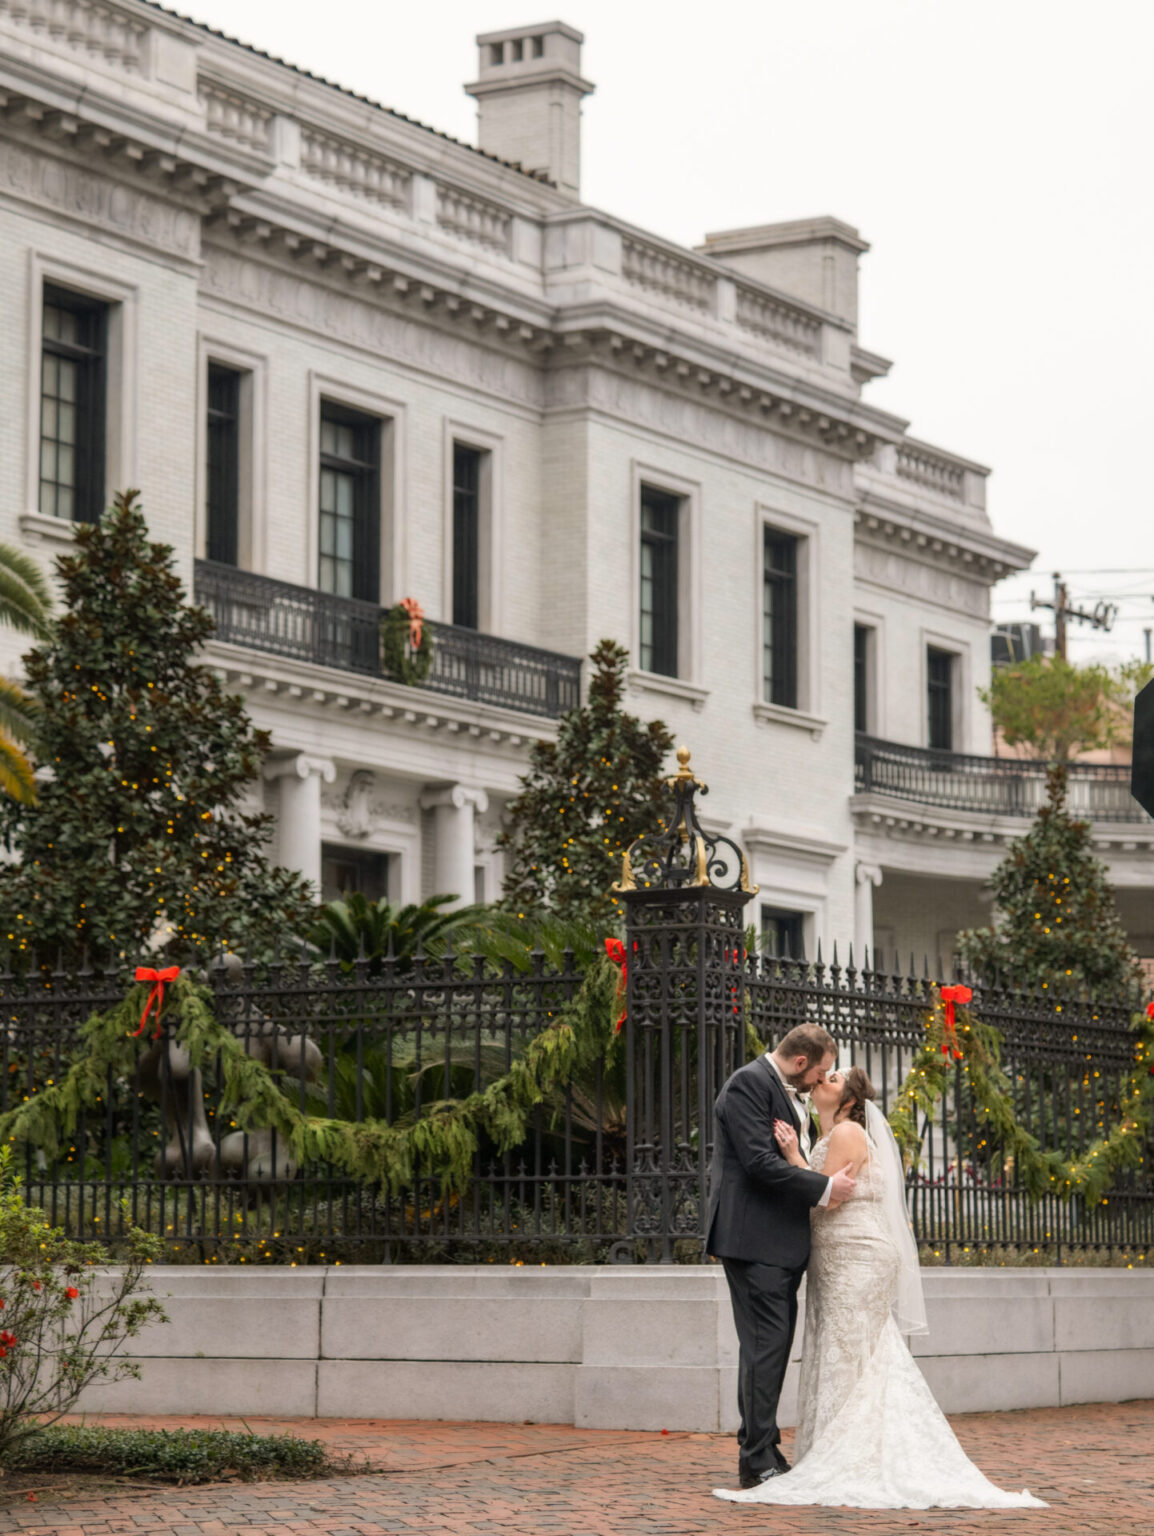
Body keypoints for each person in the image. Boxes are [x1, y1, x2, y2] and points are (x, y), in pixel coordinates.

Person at [714, 1065, 1047, 1510]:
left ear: (849, 1101)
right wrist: (800, 1156)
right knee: (847, 1352)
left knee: (855, 1352)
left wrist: (793, 1158)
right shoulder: (827, 1133)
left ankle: (858, 1455)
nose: (820, 1083)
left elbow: (825, 1197)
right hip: (837, 1258)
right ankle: (844, 1448)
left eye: (831, 1080)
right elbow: (824, 1191)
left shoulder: (848, 1133)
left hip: (858, 1257)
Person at [705, 1023, 857, 1489]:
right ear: (800, 1062)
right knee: (765, 1350)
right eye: (822, 1072)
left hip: (777, 1244)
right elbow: (758, 1162)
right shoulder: (749, 1083)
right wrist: (826, 1187)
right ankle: (756, 1460)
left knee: (765, 1352)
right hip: (755, 1242)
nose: (820, 1081)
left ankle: (761, 1447)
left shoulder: (781, 1085)